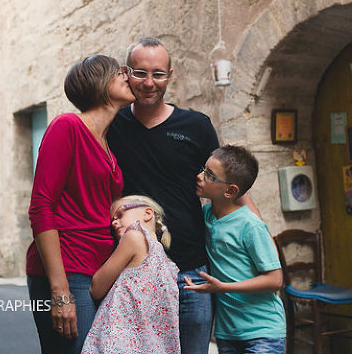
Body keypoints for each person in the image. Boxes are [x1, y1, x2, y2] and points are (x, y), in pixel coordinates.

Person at [107, 37, 259, 354]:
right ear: (126, 73)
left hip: (192, 272)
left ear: (170, 75)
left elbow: (230, 186)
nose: (150, 83)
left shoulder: (196, 126)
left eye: (158, 74)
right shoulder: (112, 125)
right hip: (134, 271)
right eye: (140, 73)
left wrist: (257, 233)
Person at [26, 55, 134, 354]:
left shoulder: (107, 142)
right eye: (118, 73)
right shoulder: (67, 126)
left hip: (99, 270)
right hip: (67, 270)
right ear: (99, 83)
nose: (127, 77)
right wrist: (59, 292)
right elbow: (41, 207)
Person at [185, 145, 286, 354]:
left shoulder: (250, 225)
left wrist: (223, 287)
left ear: (230, 191)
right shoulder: (205, 216)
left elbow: (275, 280)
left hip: (263, 332)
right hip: (228, 333)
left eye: (210, 176)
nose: (200, 176)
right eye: (204, 169)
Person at [82, 195, 180, 354]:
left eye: (120, 214)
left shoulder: (134, 236)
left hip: (120, 342)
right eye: (112, 220)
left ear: (147, 213)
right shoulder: (167, 262)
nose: (114, 222)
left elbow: (96, 288)